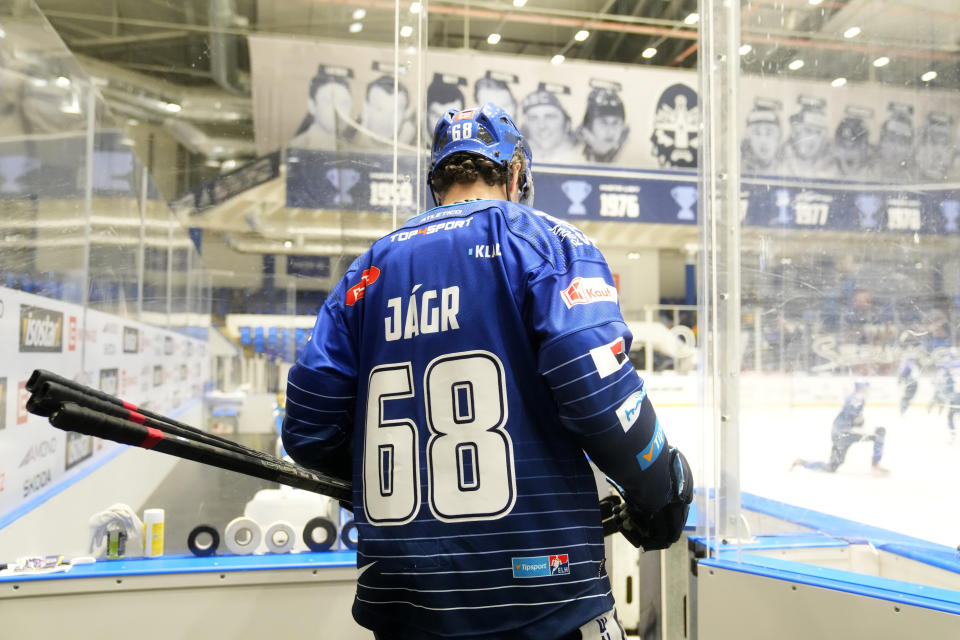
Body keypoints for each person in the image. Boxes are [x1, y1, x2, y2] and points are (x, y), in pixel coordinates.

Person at [282, 102, 693, 640]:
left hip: (404, 601)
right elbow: (597, 390)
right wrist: (660, 487)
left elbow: (308, 430)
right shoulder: (548, 243)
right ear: (517, 172)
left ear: (437, 183)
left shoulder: (367, 270)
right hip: (540, 596)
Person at [792, 381, 888, 475]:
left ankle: (802, 462)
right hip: (846, 432)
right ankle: (875, 465)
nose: (868, 391)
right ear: (861, 388)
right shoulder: (858, 397)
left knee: (831, 467)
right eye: (866, 388)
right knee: (879, 433)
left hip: (837, 433)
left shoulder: (854, 396)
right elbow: (852, 413)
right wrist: (857, 421)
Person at [289, 64, 354, 149]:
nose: (338, 111)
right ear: (312, 106)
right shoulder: (295, 148)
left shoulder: (353, 151)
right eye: (328, 102)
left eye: (344, 103)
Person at [521, 83, 579, 163]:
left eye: (550, 117)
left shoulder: (581, 158)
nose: (542, 126)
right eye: (533, 118)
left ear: (567, 124)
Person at [578, 86, 629, 163]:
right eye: (603, 122)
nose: (610, 130)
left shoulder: (629, 158)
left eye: (615, 123)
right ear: (589, 128)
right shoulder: (574, 155)